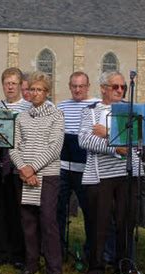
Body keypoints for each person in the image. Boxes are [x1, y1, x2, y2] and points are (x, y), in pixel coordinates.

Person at [79, 71, 141, 274]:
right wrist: (116, 148)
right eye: (115, 87)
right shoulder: (91, 111)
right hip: (100, 175)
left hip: (127, 174)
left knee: (125, 222)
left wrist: (106, 133)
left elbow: (138, 140)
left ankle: (123, 267)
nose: (120, 90)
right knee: (99, 222)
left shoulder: (131, 110)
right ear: (103, 88)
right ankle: (96, 267)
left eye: (123, 87)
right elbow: (85, 140)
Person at [9, 71, 64, 274]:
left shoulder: (56, 115)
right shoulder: (22, 117)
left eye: (39, 89)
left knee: (48, 221)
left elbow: (54, 147)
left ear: (47, 92)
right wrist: (23, 168)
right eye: (31, 89)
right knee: (28, 221)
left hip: (47, 175)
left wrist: (32, 168)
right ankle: (31, 264)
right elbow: (14, 146)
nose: (35, 93)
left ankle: (54, 269)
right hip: (24, 174)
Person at [56, 71, 99, 258]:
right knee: (58, 209)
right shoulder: (62, 106)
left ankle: (91, 249)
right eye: (74, 86)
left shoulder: (96, 105)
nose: (77, 89)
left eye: (81, 86)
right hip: (64, 167)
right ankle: (58, 248)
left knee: (90, 211)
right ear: (69, 86)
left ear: (88, 87)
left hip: (87, 168)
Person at [0, 67, 29, 268]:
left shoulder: (28, 107)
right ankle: (1, 250)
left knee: (18, 211)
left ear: (20, 85)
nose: (10, 87)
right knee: (0, 210)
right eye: (7, 83)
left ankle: (19, 253)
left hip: (19, 166)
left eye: (14, 83)